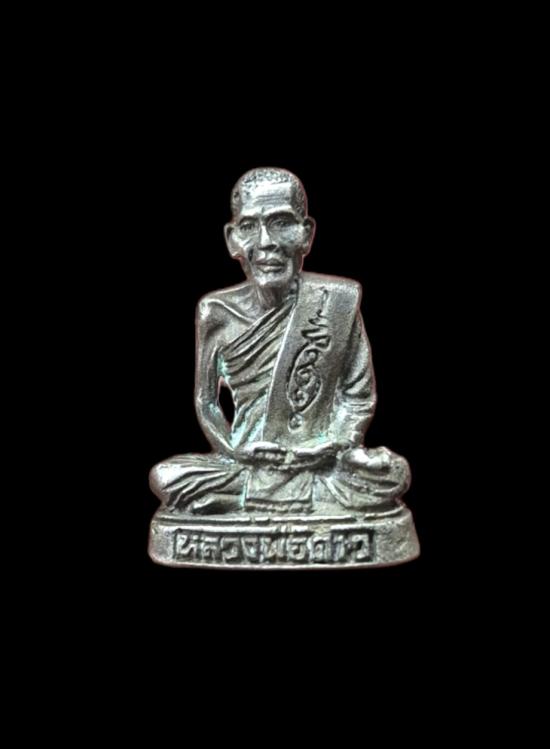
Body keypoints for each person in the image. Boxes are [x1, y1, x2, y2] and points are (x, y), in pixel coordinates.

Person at [150, 167, 410, 515]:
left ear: (306, 233)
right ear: (232, 239)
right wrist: (235, 450)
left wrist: (337, 444)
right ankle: (285, 495)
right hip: (248, 461)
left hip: (316, 462)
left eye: (282, 223)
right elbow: (206, 402)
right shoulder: (215, 312)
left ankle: (249, 497)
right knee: (166, 476)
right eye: (249, 226)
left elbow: (358, 397)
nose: (266, 242)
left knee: (391, 474)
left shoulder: (336, 302)